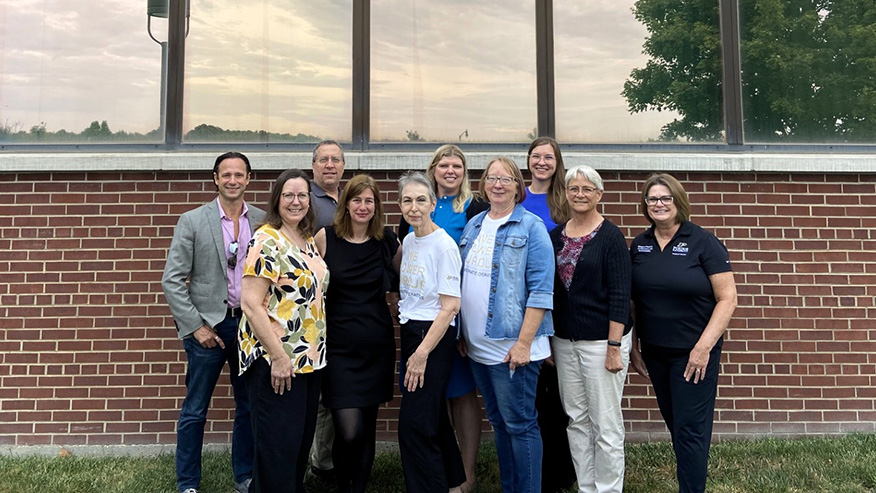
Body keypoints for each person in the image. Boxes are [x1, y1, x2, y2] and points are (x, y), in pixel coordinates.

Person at [629, 173, 737, 493]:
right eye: (652, 199)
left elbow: (728, 298)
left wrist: (703, 348)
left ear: (678, 201)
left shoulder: (703, 241)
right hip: (655, 351)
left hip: (693, 354)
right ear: (645, 205)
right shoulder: (641, 244)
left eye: (665, 198)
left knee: (690, 431)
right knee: (677, 425)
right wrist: (634, 347)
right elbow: (636, 302)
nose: (659, 204)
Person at [161, 151, 263, 493]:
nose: (232, 180)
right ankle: (188, 482)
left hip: (248, 328)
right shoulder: (192, 220)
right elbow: (172, 280)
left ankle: (245, 476)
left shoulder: (263, 221)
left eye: (239, 174)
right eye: (226, 175)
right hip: (208, 329)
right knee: (195, 409)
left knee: (248, 407)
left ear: (249, 179)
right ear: (216, 179)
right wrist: (194, 326)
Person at [459, 157, 554, 493]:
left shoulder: (532, 228)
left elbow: (542, 291)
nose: (497, 184)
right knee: (500, 423)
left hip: (513, 348)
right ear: (484, 185)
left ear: (518, 187)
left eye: (506, 178)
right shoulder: (474, 225)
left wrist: (524, 344)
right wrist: (462, 333)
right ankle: (511, 487)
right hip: (479, 348)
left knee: (521, 425)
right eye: (491, 178)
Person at [397, 144, 487, 492]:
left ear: (433, 203)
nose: (414, 207)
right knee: (432, 416)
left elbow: (450, 305)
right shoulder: (410, 240)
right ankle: (454, 481)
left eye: (421, 201)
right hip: (413, 330)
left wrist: (421, 354)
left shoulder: (444, 245)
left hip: (432, 336)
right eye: (407, 201)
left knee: (414, 426)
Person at [237, 168, 329, 493]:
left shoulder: (306, 239)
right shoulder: (266, 239)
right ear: (277, 200)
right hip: (277, 363)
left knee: (297, 450)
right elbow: (250, 303)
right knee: (278, 452)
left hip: (309, 361)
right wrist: (278, 357)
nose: (296, 201)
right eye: (288, 195)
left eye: (302, 195)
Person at [314, 174, 401, 493]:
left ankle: (356, 488)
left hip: (376, 346)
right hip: (337, 348)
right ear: (345, 203)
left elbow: (407, 277)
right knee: (347, 430)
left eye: (369, 201)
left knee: (366, 429)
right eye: (356, 200)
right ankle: (343, 484)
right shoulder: (325, 238)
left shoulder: (388, 241)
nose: (363, 206)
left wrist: (396, 299)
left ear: (376, 206)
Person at [550, 165, 632, 493]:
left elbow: (621, 295)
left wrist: (614, 346)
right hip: (565, 343)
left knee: (606, 425)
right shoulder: (556, 236)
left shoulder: (610, 237)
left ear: (599, 195)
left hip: (602, 343)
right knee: (576, 421)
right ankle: (587, 486)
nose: (580, 194)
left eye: (587, 189)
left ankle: (609, 488)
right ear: (566, 194)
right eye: (574, 189)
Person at [521, 137, 576, 492]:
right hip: (520, 303)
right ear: (527, 161)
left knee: (557, 394)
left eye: (549, 157)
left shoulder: (565, 202)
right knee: (532, 396)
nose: (542, 162)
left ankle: (560, 473)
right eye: (536, 156)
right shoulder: (516, 197)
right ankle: (534, 471)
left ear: (558, 162)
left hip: (558, 301)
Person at [308, 139, 346, 480]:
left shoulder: (348, 200)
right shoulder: (304, 199)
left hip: (345, 307)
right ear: (314, 165)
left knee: (335, 388)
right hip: (313, 310)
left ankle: (328, 460)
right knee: (319, 392)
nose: (330, 165)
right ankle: (319, 462)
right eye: (324, 160)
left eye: (335, 160)